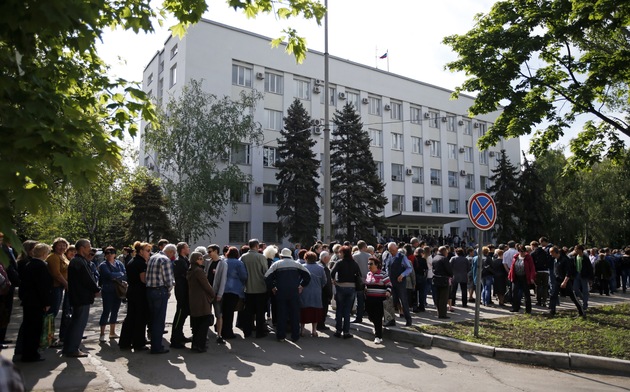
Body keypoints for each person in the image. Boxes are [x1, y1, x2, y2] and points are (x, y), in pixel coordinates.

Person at [64, 239, 100, 358]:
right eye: (88, 246)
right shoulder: (79, 262)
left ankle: (69, 347)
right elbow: (87, 279)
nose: (90, 249)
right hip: (81, 297)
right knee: (79, 323)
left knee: (76, 322)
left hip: (79, 296)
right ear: (82, 248)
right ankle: (73, 348)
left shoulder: (79, 261)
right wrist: (96, 289)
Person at [264, 248, 311, 342]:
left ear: (281, 255)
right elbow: (308, 275)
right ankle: (295, 336)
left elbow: (266, 277)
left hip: (280, 292)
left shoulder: (276, 264)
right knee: (294, 314)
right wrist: (301, 286)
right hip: (294, 292)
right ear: (290, 255)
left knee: (281, 314)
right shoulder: (297, 264)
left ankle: (281, 336)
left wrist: (273, 287)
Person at [19, 243, 53, 362]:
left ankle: (27, 353)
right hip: (36, 302)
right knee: (34, 329)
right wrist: (46, 302)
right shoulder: (40, 266)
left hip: (29, 301)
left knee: (29, 328)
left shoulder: (29, 264)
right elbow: (42, 287)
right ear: (44, 254)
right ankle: (31, 354)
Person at [119, 242, 151, 351]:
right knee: (140, 318)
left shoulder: (132, 261)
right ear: (141, 251)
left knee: (130, 317)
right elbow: (143, 279)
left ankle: (125, 341)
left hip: (132, 291)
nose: (149, 253)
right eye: (147, 251)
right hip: (139, 293)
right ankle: (138, 343)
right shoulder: (141, 263)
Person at [146, 243, 176, 354]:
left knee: (153, 318)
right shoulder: (165, 260)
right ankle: (156, 346)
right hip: (160, 291)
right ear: (171, 252)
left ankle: (153, 343)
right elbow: (168, 280)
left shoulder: (152, 257)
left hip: (149, 290)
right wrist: (169, 289)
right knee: (159, 320)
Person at [240, 239, 269, 339]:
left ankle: (247, 332)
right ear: (257, 246)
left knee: (248, 312)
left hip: (248, 288)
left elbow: (241, 272)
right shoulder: (261, 257)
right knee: (260, 313)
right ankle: (259, 332)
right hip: (260, 288)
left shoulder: (243, 257)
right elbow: (266, 272)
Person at [187, 252, 216, 353]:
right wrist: (213, 294)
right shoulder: (198, 271)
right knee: (204, 323)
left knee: (196, 324)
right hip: (202, 300)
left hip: (194, 299)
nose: (202, 260)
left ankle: (195, 345)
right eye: (199, 258)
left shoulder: (190, 270)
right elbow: (206, 285)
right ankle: (200, 345)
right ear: (195, 260)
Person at [330, 245, 360, 338]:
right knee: (347, 311)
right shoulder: (354, 263)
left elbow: (332, 273)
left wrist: (334, 281)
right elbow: (359, 274)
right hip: (351, 288)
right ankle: (346, 332)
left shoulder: (339, 262)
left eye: (340, 252)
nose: (339, 254)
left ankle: (338, 330)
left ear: (343, 253)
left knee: (339, 309)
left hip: (340, 287)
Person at [46, 238, 71, 348]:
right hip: (55, 288)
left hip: (61, 288)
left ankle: (51, 336)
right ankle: (47, 338)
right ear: (54, 246)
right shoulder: (53, 257)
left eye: (64, 246)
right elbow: (56, 274)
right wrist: (66, 284)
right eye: (59, 245)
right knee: (52, 313)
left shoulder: (63, 256)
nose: (62, 248)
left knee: (56, 312)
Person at [98, 246, 126, 342]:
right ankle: (102, 333)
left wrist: (116, 275)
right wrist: (118, 274)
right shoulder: (103, 265)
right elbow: (108, 275)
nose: (109, 254)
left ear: (115, 254)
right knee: (106, 311)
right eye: (107, 253)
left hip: (118, 290)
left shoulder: (119, 263)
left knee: (115, 311)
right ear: (105, 255)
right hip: (108, 291)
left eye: (112, 252)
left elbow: (124, 274)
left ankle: (112, 332)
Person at [383, 242, 414, 326]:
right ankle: (390, 320)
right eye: (390, 250)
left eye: (393, 250)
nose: (392, 252)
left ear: (396, 248)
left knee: (403, 301)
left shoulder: (402, 257)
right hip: (390, 282)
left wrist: (402, 275)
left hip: (400, 282)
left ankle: (408, 320)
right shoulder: (388, 256)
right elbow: (386, 267)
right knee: (389, 301)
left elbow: (409, 268)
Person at [549, 246, 584, 318]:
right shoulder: (555, 260)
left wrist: (564, 282)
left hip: (565, 281)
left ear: (556, 252)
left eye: (551, 253)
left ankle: (581, 312)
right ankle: (552, 311)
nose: (550, 254)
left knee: (572, 296)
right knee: (553, 295)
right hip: (557, 280)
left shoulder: (565, 260)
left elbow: (568, 272)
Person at [221, 247, 248, 340]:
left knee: (224, 311)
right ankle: (228, 332)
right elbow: (244, 276)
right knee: (230, 312)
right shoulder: (238, 263)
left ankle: (222, 330)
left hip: (223, 289)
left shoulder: (223, 261)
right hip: (234, 289)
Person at [364, 257, 391, 344]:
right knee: (371, 317)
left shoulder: (383, 274)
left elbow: (389, 285)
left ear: (377, 265)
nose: (369, 266)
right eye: (368, 264)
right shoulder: (368, 274)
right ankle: (377, 327)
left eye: (371, 264)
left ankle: (378, 336)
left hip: (379, 300)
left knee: (377, 317)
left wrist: (388, 291)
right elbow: (366, 284)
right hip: (369, 299)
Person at [300, 252, 326, 337]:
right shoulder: (321, 268)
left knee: (303, 311)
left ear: (306, 258)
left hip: (304, 292)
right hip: (316, 292)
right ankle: (314, 331)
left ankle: (302, 330)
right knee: (315, 311)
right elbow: (324, 281)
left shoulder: (302, 267)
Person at [170, 242, 191, 348]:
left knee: (183, 315)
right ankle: (175, 339)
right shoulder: (179, 261)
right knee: (180, 314)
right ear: (182, 249)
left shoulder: (184, 260)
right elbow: (185, 275)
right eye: (187, 247)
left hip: (185, 290)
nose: (189, 248)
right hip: (181, 291)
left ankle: (180, 335)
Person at [207, 244, 227, 344]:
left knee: (218, 314)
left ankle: (219, 335)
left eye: (210, 251)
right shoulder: (209, 262)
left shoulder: (223, 263)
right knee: (206, 313)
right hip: (208, 293)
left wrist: (220, 294)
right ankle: (205, 334)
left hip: (216, 293)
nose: (208, 253)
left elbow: (223, 279)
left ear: (216, 251)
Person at [508, 245, 536, 313]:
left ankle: (528, 309)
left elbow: (532, 268)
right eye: (520, 251)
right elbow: (512, 267)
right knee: (514, 292)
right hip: (516, 277)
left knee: (526, 293)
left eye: (523, 251)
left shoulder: (528, 258)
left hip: (525, 277)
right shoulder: (515, 257)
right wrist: (510, 275)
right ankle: (515, 307)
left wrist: (532, 277)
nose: (522, 253)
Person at [351, 240, 370, 324]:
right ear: (364, 247)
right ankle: (369, 315)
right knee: (368, 299)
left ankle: (359, 317)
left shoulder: (354, 256)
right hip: (368, 279)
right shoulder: (369, 255)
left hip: (358, 280)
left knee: (359, 299)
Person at [431, 246, 453, 319]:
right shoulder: (444, 259)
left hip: (436, 279)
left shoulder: (434, 258)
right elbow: (449, 270)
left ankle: (439, 312)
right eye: (446, 252)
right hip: (443, 279)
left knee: (437, 297)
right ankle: (442, 314)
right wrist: (451, 275)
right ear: (444, 251)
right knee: (443, 298)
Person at [571, 244, 593, 312]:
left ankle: (585, 304)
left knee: (585, 290)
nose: (575, 250)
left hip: (584, 275)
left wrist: (591, 278)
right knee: (575, 289)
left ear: (580, 250)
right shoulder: (575, 257)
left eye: (576, 249)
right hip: (577, 274)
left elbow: (590, 268)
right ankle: (583, 299)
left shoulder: (585, 258)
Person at [316, 251, 333, 331]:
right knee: (323, 310)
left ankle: (318, 324)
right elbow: (327, 282)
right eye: (329, 257)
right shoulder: (324, 268)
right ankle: (321, 324)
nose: (329, 259)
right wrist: (330, 294)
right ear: (325, 258)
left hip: (317, 291)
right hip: (323, 292)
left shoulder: (317, 265)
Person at [530, 240, 550, 307]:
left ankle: (539, 301)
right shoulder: (545, 252)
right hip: (545, 271)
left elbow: (532, 264)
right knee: (545, 286)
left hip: (537, 271)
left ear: (533, 246)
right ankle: (544, 301)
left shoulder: (533, 253)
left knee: (538, 286)